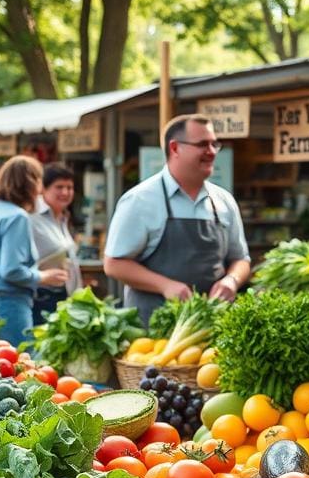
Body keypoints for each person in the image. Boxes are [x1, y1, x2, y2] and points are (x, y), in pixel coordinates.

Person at [103, 113, 251, 326]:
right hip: (152, 335)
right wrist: (165, 285)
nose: (211, 152)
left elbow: (241, 259)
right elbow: (114, 264)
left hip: (213, 328)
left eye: (214, 144)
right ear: (174, 148)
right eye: (202, 144)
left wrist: (232, 280)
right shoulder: (140, 200)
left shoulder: (224, 201)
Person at [0, 155, 68, 346]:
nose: (40, 190)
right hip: (7, 305)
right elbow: (11, 270)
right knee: (19, 366)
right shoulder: (17, 217)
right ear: (29, 183)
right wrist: (43, 277)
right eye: (38, 181)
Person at [30, 163, 82, 324]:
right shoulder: (31, 217)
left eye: (69, 187)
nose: (65, 192)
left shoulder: (62, 217)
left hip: (65, 298)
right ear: (43, 189)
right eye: (59, 187)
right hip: (41, 298)